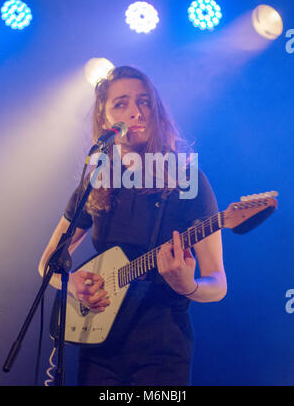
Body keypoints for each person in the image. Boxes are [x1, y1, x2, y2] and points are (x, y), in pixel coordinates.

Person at [38, 66, 227, 386]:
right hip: (98, 346)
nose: (136, 112)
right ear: (104, 117)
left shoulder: (187, 180)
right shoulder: (96, 181)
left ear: (157, 111)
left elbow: (217, 282)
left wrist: (188, 286)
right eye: (121, 104)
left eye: (144, 102)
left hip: (162, 352)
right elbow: (47, 265)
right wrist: (74, 284)